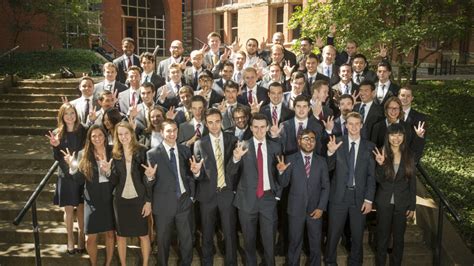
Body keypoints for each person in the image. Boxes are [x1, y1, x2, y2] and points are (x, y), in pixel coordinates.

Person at [227, 113, 283, 266]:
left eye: (262, 127)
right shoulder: (242, 145)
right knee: (249, 241)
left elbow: (281, 173)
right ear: (251, 128)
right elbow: (231, 172)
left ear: (267, 128)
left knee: (269, 241)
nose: (259, 131)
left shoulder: (275, 146)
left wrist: (277, 194)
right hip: (246, 201)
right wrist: (236, 158)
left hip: (268, 199)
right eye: (256, 127)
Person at [324, 112, 376, 266]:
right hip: (338, 197)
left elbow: (371, 177)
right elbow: (327, 167)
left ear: (361, 125)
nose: (353, 127)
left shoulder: (370, 146)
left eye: (356, 124)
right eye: (350, 124)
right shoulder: (337, 142)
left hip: (359, 198)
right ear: (345, 125)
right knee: (333, 235)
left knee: (357, 236)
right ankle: (330, 263)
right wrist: (330, 152)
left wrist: (369, 199)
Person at [146, 119, 196, 266]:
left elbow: (190, 175)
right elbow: (149, 182)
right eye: (168, 130)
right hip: (163, 205)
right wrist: (149, 177)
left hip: (184, 202)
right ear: (161, 133)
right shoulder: (152, 154)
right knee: (163, 242)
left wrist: (191, 195)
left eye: (174, 130)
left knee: (187, 241)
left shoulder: (185, 150)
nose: (172, 133)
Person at [193, 108, 239, 266]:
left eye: (217, 122)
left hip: (226, 193)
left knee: (230, 233)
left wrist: (235, 159)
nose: (214, 126)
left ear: (222, 122)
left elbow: (234, 169)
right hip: (207, 195)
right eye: (210, 122)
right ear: (206, 123)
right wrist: (196, 172)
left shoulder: (232, 140)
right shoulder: (200, 143)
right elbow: (198, 173)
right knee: (206, 234)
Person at [64, 125, 115, 266]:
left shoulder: (113, 151)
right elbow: (80, 180)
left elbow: (118, 176)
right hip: (91, 200)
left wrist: (109, 170)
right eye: (93, 136)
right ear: (89, 138)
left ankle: (108, 263)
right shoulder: (83, 154)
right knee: (90, 238)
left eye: (100, 135)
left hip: (110, 198)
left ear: (105, 136)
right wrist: (72, 166)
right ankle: (93, 264)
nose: (97, 138)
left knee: (110, 234)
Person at [278, 129, 330, 266]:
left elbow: (326, 187)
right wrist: (281, 171)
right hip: (295, 210)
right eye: (306, 138)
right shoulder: (290, 159)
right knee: (294, 243)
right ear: (299, 140)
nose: (309, 142)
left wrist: (321, 207)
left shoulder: (322, 161)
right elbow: (283, 183)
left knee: (315, 244)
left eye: (312, 139)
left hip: (315, 210)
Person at [108, 122, 152, 266]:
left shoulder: (143, 150)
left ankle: (145, 264)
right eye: (120, 134)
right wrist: (108, 171)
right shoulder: (114, 153)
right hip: (120, 200)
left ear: (132, 134)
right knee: (120, 236)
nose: (123, 137)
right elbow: (114, 181)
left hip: (139, 198)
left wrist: (148, 201)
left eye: (126, 133)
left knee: (144, 235)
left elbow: (148, 178)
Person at [373, 123, 416, 266]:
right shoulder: (381, 152)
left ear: (404, 136)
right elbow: (378, 179)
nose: (396, 138)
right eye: (393, 134)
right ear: (388, 136)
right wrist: (380, 164)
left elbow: (412, 182)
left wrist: (413, 205)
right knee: (382, 238)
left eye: (399, 135)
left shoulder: (409, 154)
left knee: (399, 239)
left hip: (402, 202)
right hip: (384, 201)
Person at [46, 103, 87, 255]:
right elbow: (57, 157)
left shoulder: (83, 130)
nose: (70, 116)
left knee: (81, 208)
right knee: (68, 209)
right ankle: (70, 239)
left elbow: (86, 151)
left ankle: (81, 238)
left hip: (80, 172)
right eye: (66, 114)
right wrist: (56, 145)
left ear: (76, 114)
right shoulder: (58, 132)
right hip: (65, 174)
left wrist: (76, 166)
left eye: (72, 113)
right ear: (62, 116)